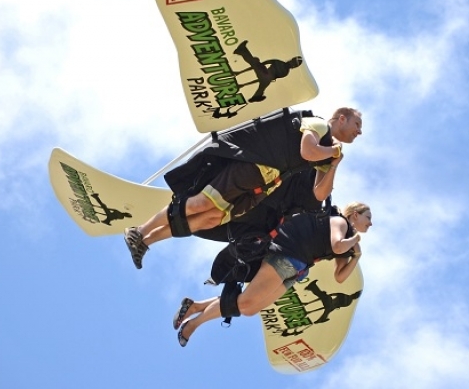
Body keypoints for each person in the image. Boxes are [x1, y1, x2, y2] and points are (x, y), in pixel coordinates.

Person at [124, 107, 363, 269]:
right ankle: (139, 231)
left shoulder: (328, 153)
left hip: (263, 187)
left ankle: (145, 242)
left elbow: (319, 193)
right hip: (255, 166)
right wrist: (333, 151)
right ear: (341, 118)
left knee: (211, 218)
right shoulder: (318, 124)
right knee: (201, 203)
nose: (359, 131)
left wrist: (333, 165)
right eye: (357, 123)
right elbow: (307, 151)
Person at [172, 201, 373, 347]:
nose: (370, 223)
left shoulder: (348, 242)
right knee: (246, 302)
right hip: (287, 256)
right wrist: (355, 239)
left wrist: (356, 257)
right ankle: (194, 324)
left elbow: (340, 276)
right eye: (368, 217)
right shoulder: (340, 222)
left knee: (249, 308)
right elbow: (337, 245)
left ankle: (195, 306)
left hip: (296, 271)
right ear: (355, 214)